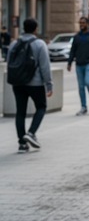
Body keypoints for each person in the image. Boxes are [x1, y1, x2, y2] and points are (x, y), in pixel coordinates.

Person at [6, 18, 53, 153]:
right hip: (35, 83)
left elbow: (9, 63)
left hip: (18, 83)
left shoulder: (14, 44)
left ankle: (22, 144)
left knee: (20, 112)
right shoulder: (39, 44)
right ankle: (31, 133)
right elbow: (45, 67)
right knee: (41, 107)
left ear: (23, 28)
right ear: (36, 29)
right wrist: (49, 85)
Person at [67, 17, 89, 115]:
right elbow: (72, 51)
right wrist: (69, 63)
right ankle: (83, 107)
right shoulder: (76, 36)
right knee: (81, 86)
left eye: (83, 23)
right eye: (80, 23)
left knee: (88, 82)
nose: (81, 25)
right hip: (79, 64)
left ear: (87, 23)